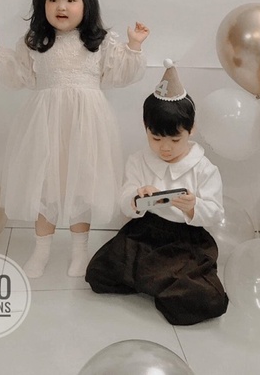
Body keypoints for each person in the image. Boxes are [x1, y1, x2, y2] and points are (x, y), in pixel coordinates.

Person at [0, 0, 149, 278]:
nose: (61, 6)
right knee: (44, 185)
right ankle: (41, 251)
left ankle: (80, 252)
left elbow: (121, 73)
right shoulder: (36, 42)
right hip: (45, 124)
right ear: (42, 4)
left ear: (87, 5)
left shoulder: (99, 43)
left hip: (87, 125)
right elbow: (18, 75)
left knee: (81, 184)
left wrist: (134, 45)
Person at [85, 60, 229, 325]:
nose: (165, 148)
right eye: (156, 138)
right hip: (145, 233)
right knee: (97, 273)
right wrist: (137, 198)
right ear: (146, 127)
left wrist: (193, 207)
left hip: (185, 239)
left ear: (191, 130)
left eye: (175, 140)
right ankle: (161, 284)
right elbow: (124, 201)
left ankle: (160, 284)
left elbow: (215, 213)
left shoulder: (204, 168)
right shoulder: (138, 160)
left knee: (210, 299)